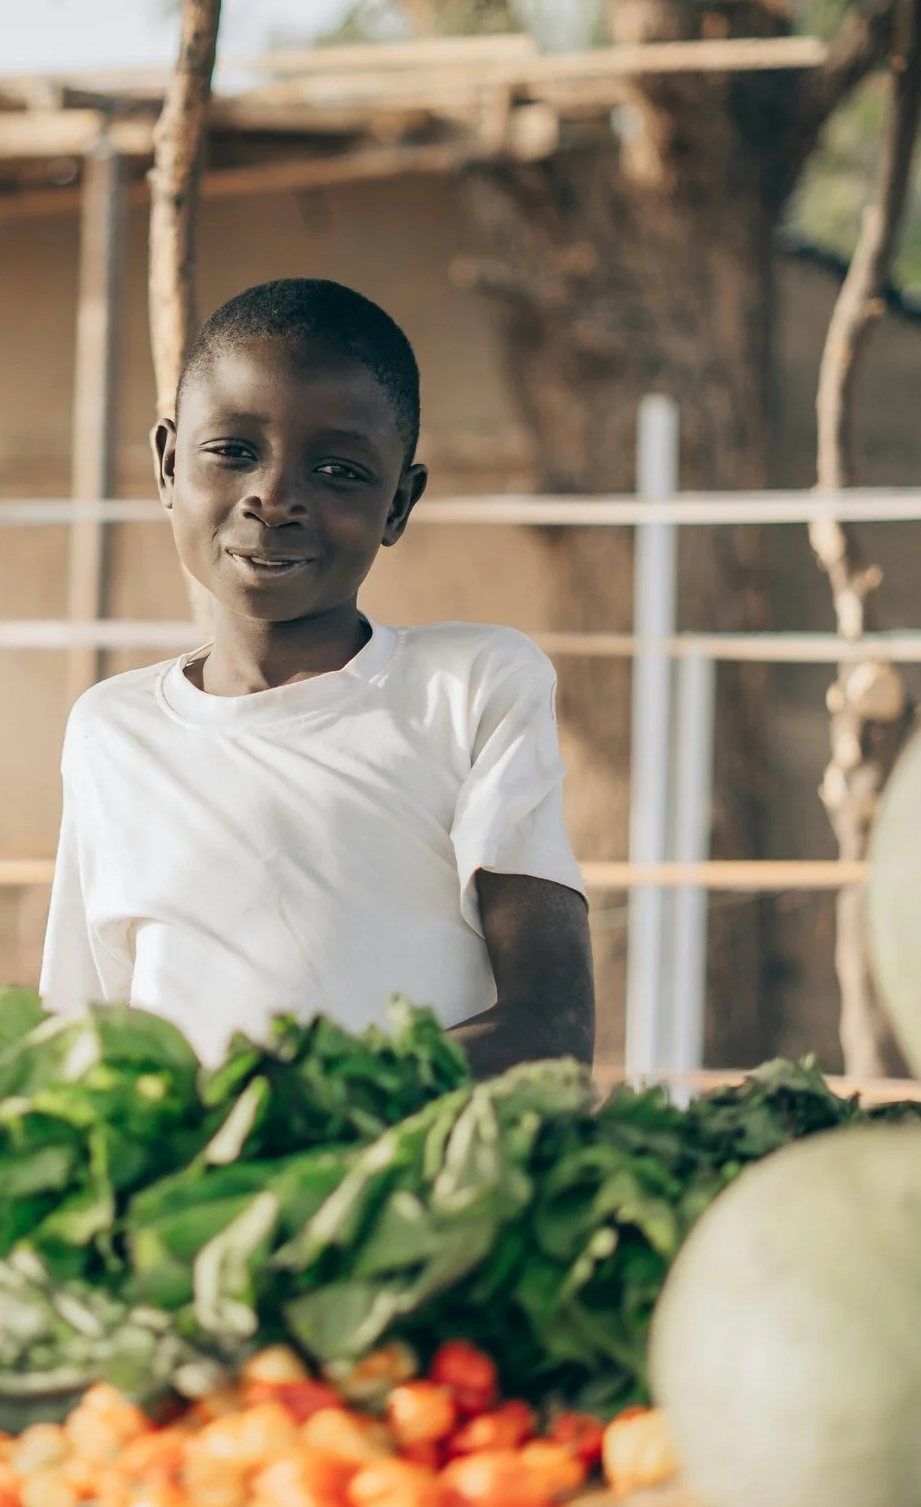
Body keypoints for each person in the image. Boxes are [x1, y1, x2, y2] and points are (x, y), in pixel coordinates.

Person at [38, 278, 595, 1075]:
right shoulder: (111, 730)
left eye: (338, 470)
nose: (273, 497)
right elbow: (79, 1043)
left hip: (408, 1183)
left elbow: (553, 1026)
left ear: (398, 503)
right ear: (167, 464)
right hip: (190, 1188)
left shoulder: (471, 688)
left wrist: (294, 1119)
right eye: (232, 451)